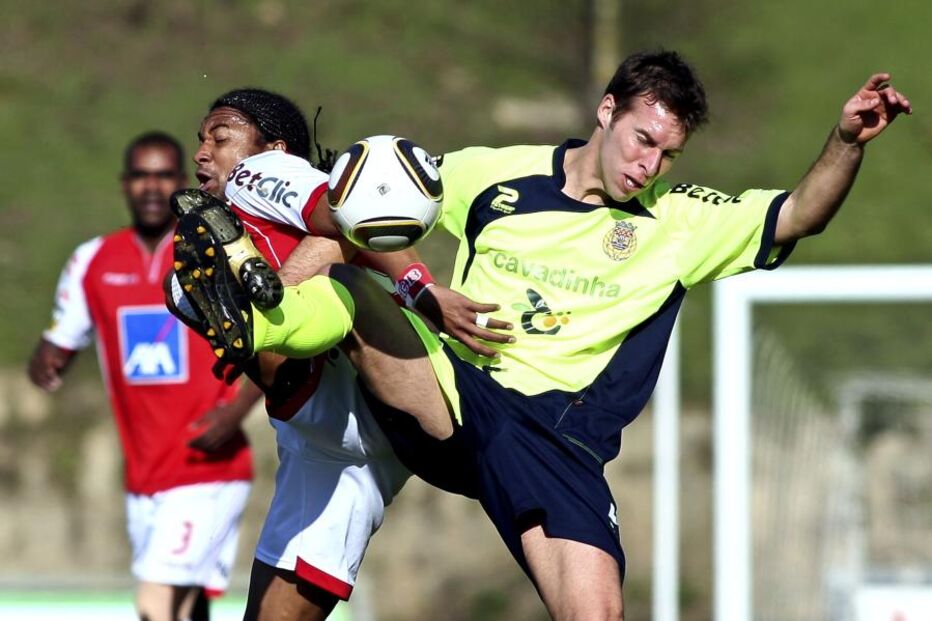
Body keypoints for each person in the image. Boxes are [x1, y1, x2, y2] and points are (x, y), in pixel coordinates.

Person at [174, 51, 912, 620]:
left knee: (598, 611)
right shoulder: (498, 175)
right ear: (607, 110)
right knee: (352, 273)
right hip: (455, 394)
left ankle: (247, 305)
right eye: (641, 139)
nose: (648, 164)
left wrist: (847, 140)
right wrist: (425, 291)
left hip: (562, 442)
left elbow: (799, 215)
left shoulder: (684, 220)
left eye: (667, 154)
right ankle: (250, 315)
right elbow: (378, 206)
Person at [168, 88, 485, 621]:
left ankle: (268, 309)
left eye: (220, 138)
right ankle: (260, 309)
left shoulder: (263, 173)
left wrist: (421, 291)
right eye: (200, 140)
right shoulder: (201, 245)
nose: (202, 152)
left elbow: (365, 211)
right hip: (324, 443)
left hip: (364, 370)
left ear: (275, 147)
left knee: (340, 234)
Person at [27, 131, 259, 621]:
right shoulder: (92, 261)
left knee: (154, 605)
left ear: (181, 181)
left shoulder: (216, 251)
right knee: (188, 607)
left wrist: (234, 412)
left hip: (206, 467)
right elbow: (58, 342)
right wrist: (48, 359)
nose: (152, 187)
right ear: (125, 185)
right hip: (144, 477)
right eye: (141, 176)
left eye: (163, 176)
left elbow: (279, 343)